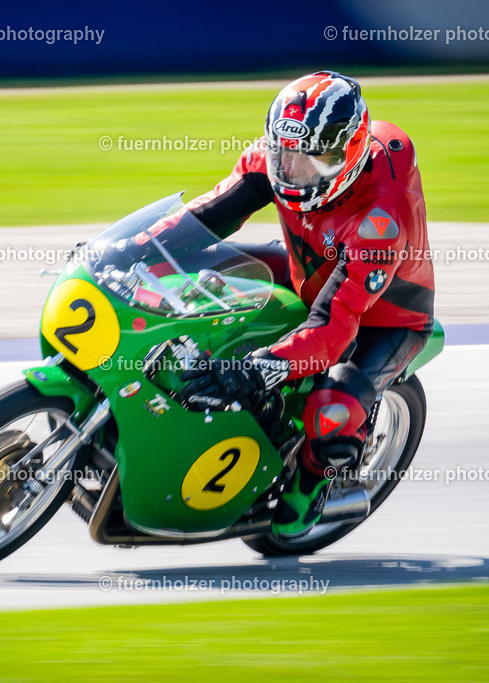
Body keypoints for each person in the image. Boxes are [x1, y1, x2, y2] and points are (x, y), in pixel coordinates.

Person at [160, 71, 435, 537]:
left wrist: (256, 368)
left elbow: (332, 329)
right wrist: (127, 250)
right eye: (285, 153)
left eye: (311, 159)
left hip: (383, 316)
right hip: (311, 270)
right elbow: (202, 218)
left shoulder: (380, 219)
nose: (293, 170)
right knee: (200, 271)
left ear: (348, 153)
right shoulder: (275, 161)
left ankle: (312, 494)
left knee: (334, 407)